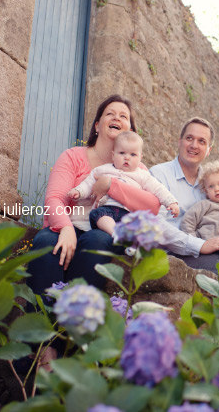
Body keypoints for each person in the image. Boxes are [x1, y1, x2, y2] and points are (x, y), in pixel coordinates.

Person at [26, 95, 161, 300]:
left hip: (106, 230)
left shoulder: (139, 170)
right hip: (69, 224)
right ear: (97, 125)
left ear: (130, 131)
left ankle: (75, 322)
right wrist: (66, 228)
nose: (116, 118)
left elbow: (152, 206)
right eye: (110, 114)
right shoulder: (73, 156)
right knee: (46, 241)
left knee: (96, 239)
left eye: (123, 116)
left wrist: (110, 185)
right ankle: (41, 321)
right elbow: (55, 198)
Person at [150, 117, 219, 272]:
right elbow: (155, 224)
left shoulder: (210, 184)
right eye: (189, 138)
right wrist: (199, 245)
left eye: (201, 141)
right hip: (171, 251)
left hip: (209, 247)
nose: (194, 145)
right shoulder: (159, 174)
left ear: (208, 151)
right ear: (179, 142)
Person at [68, 131, 179, 236]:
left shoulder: (143, 175)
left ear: (140, 158)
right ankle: (116, 234)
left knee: (143, 227)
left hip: (130, 213)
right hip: (107, 210)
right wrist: (79, 191)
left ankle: (132, 245)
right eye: (122, 153)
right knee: (96, 214)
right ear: (113, 155)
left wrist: (171, 202)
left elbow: (158, 188)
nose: (127, 157)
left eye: (133, 155)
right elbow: (89, 183)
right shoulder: (103, 170)